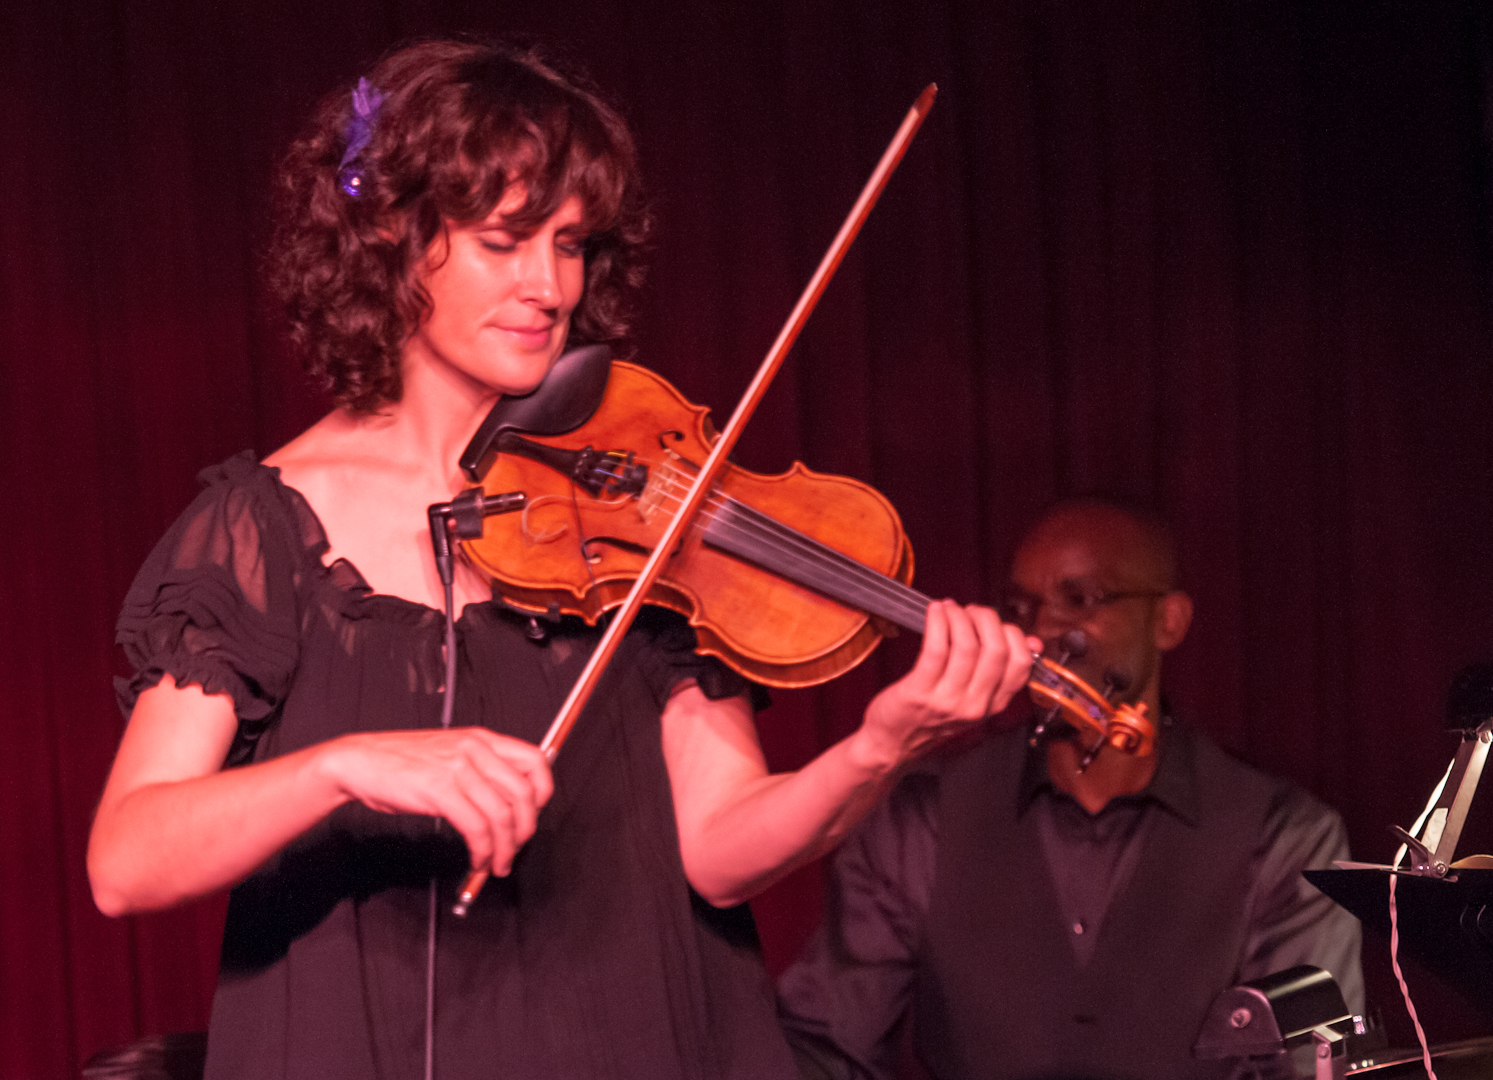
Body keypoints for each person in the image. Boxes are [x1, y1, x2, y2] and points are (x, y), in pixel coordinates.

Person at [84, 40, 1036, 1080]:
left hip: (630, 1036)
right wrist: (341, 765)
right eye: (505, 240)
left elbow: (719, 851)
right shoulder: (265, 525)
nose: (549, 284)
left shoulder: (631, 511)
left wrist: (878, 749)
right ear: (397, 240)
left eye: (572, 245)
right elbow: (127, 862)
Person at [777, 500, 1363, 1080]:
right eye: (1022, 607)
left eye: (1081, 600)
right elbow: (831, 1045)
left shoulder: (1286, 835)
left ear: (1169, 620)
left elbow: (1310, 1067)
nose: (1042, 632)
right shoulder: (925, 816)